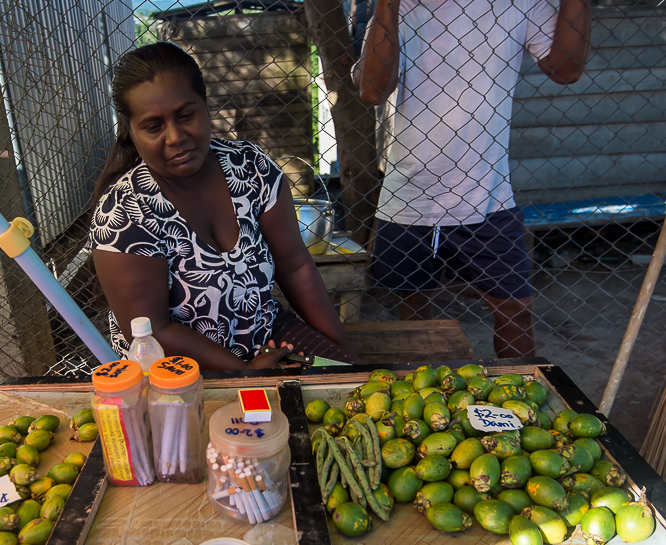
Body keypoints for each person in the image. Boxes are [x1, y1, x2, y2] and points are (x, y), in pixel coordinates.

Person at [88, 42, 360, 371]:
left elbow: (295, 266)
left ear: (205, 107)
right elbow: (153, 331)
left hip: (266, 336)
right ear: (131, 131)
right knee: (244, 421)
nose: (175, 137)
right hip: (176, 368)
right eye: (154, 126)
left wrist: (344, 356)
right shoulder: (124, 212)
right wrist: (244, 373)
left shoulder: (251, 168)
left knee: (344, 386)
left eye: (186, 115)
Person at [352, 0, 590, 358]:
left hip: (488, 194)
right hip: (410, 196)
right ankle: (425, 399)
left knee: (515, 309)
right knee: (415, 313)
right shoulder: (399, 9)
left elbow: (566, 69)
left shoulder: (518, 4)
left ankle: (518, 400)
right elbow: (371, 90)